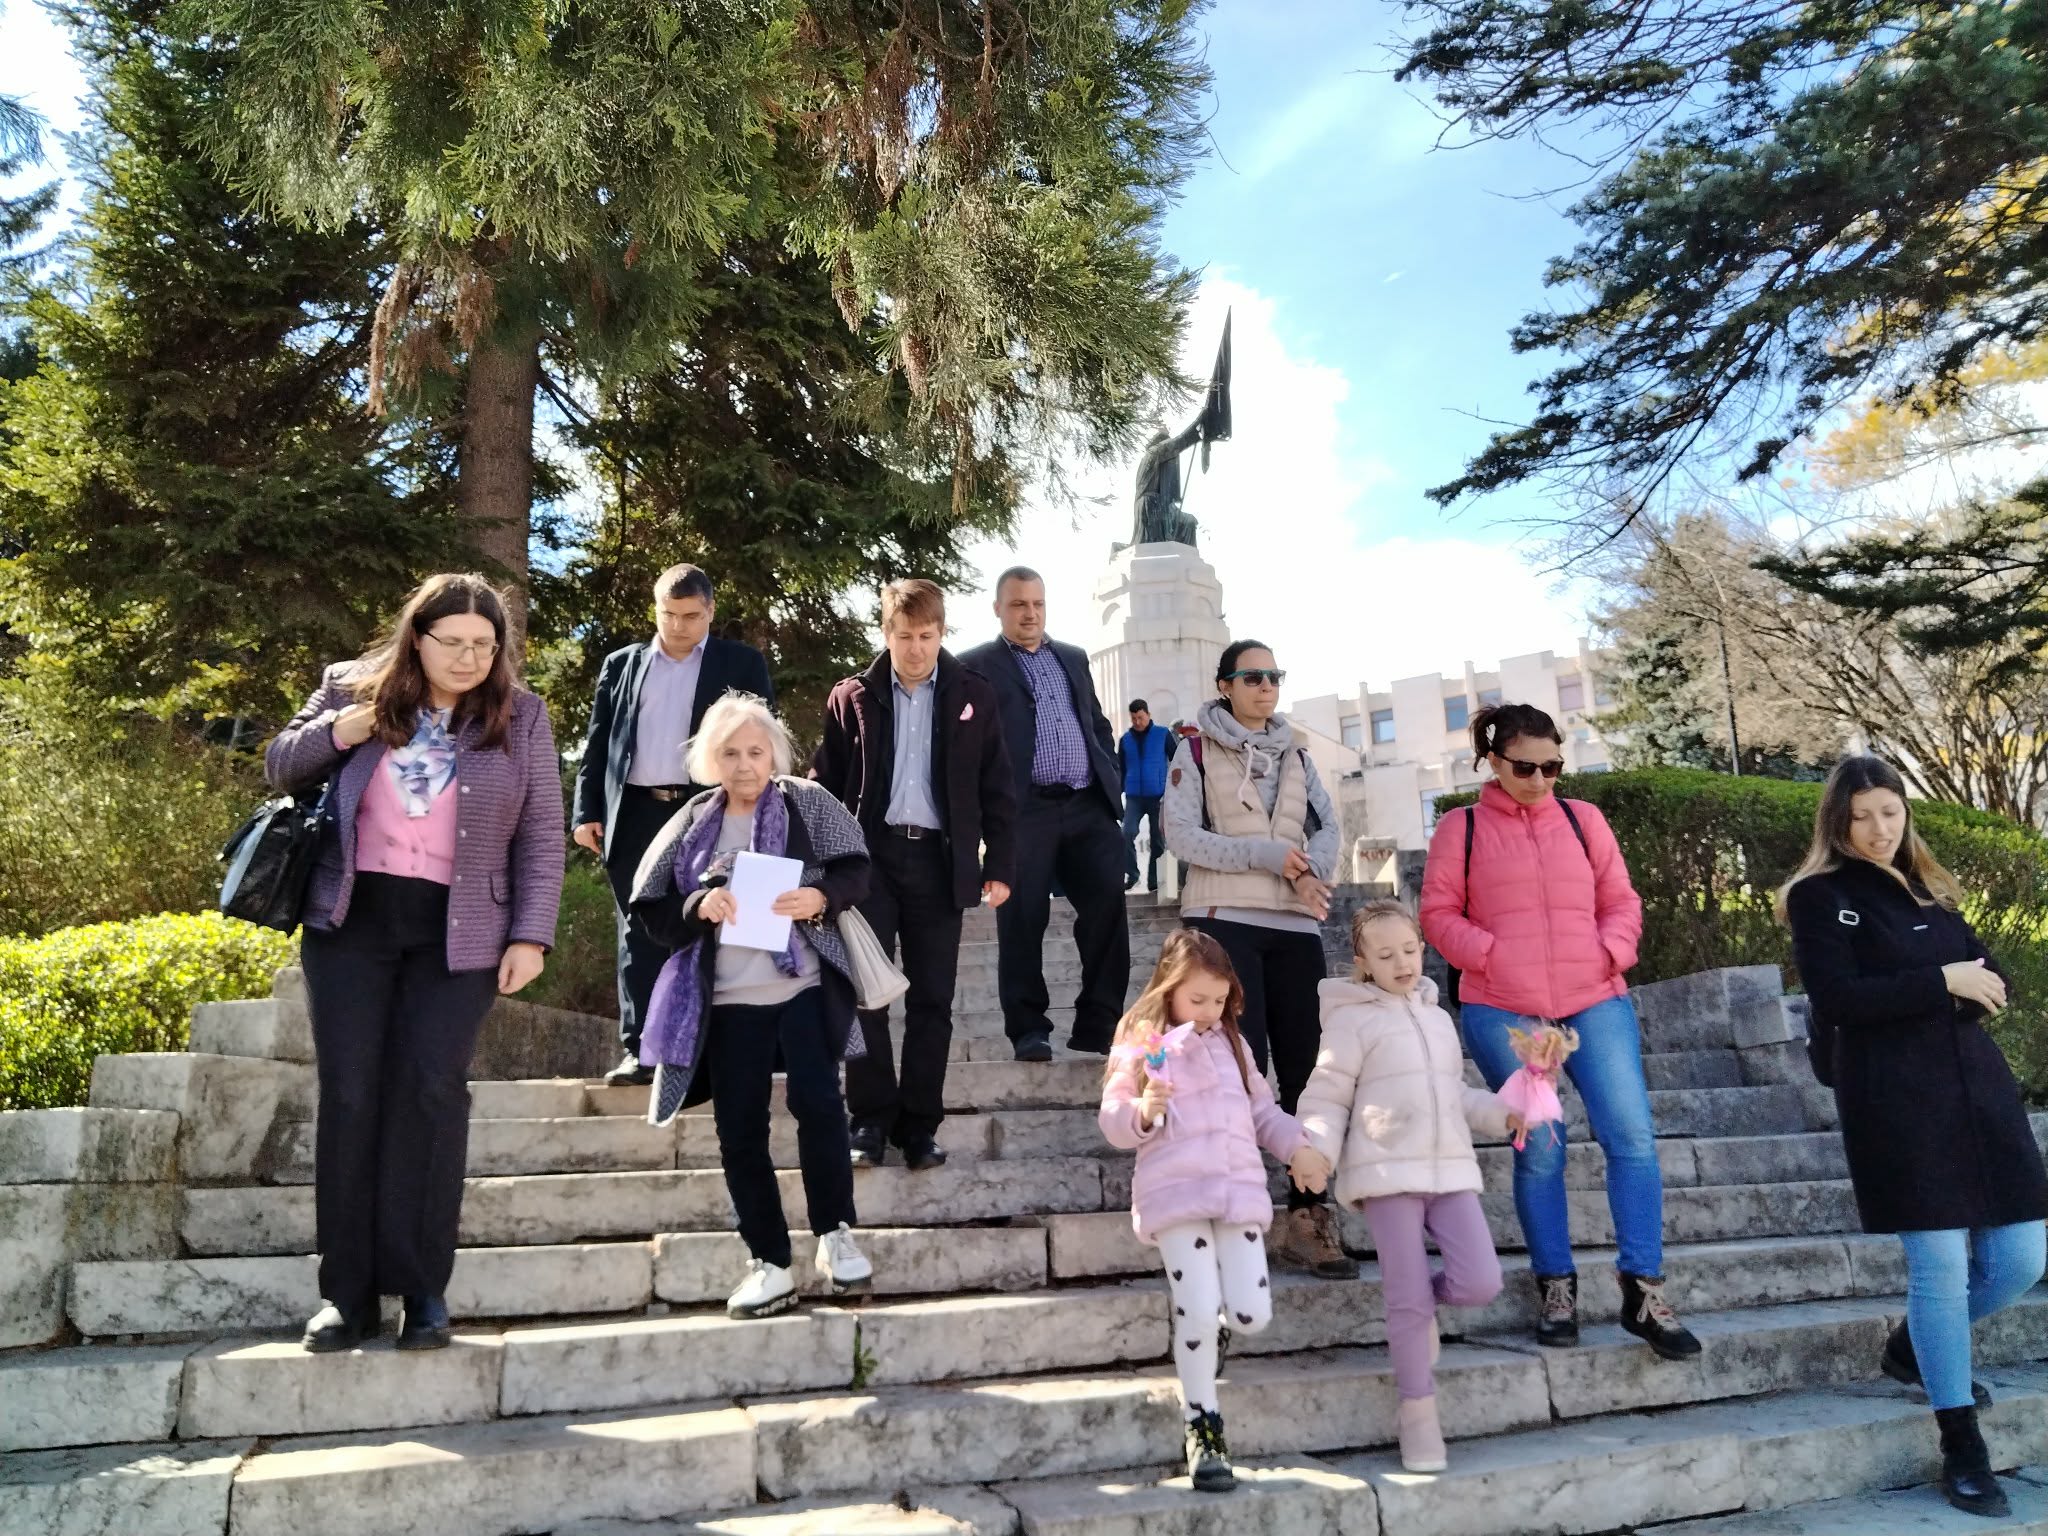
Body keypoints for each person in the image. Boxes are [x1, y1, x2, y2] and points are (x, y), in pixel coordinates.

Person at [264, 573, 564, 1354]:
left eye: (484, 646)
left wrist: (530, 935)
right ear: (417, 638)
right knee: (350, 1094)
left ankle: (423, 1290)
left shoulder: (521, 715)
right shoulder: (350, 688)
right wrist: (348, 728)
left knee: (432, 1091)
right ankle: (347, 1296)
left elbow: (540, 832)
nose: (469, 658)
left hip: (460, 932)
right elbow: (281, 763)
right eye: (453, 642)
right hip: (350, 922)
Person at [1780, 754, 2048, 1519]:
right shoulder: (1820, 896)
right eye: (1862, 816)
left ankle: (1912, 1349)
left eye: (1890, 812)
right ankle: (1962, 1444)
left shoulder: (1930, 888)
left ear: (1906, 813)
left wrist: (1952, 987)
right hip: (1894, 1103)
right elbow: (1838, 998)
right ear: (1838, 821)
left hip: (1978, 1094)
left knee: (2022, 1260)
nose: (1878, 829)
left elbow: (1994, 982)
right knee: (1939, 1268)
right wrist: (1941, 982)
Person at [1420, 702, 1700, 1360]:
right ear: (1493, 761)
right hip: (1504, 1006)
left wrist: (1610, 953)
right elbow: (1437, 912)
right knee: (1542, 1143)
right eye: (1526, 767)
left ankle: (1644, 1289)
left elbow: (1621, 900)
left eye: (1552, 767)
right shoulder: (1461, 827)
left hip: (1593, 997)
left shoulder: (1583, 819)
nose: (1541, 780)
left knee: (1631, 1136)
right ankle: (1556, 1287)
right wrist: (1491, 957)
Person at [628, 693, 874, 1319]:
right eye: (731, 753)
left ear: (774, 755)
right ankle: (769, 1262)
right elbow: (651, 906)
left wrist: (820, 896)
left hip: (803, 986)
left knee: (820, 1105)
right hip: (727, 1000)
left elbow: (856, 868)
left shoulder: (806, 802)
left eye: (756, 752)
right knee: (739, 1131)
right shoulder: (691, 821)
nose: (744, 765)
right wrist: (698, 905)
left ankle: (836, 1233)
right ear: (712, 760)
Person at [1097, 928, 1326, 1494]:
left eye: (1219, 1000)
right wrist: (1143, 1110)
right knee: (1197, 1309)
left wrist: (1298, 1148)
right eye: (1197, 999)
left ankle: (1213, 1333)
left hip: (1237, 1193)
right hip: (1176, 1194)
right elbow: (1114, 1117)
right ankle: (1203, 1424)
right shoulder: (1143, 1039)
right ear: (1169, 988)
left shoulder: (1234, 1046)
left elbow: (1264, 1113)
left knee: (1251, 1315)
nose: (1209, 1011)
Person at [1295, 901, 1516, 1473]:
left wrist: (1504, 1113)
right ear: (1363, 961)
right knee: (1406, 1295)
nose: (1402, 963)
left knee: (1480, 1280)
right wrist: (1314, 1149)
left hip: (1449, 1170)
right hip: (1387, 1175)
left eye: (1411, 950)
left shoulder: (1438, 1018)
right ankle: (1418, 1413)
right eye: (1386, 954)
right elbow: (1327, 1094)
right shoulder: (1350, 1021)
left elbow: (1457, 1094)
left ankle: (1422, 1314)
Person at [1163, 639, 1353, 1280]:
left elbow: (1328, 827)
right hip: (1223, 921)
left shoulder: (1297, 751)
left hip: (1295, 925)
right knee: (1235, 1068)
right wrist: (1268, 857)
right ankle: (1229, 1211)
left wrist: (1310, 870)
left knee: (1305, 1070)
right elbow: (1181, 836)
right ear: (1225, 685)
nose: (1266, 686)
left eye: (1274, 675)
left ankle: (1308, 1212)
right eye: (1252, 677)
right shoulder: (1193, 750)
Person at [813, 579, 1017, 1171]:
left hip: (939, 863)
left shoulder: (973, 694)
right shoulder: (851, 696)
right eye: (904, 636)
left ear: (942, 632)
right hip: (868, 863)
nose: (916, 649)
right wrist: (820, 866)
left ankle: (920, 1127)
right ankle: (870, 1121)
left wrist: (1000, 864)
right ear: (887, 633)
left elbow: (997, 785)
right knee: (864, 993)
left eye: (927, 636)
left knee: (933, 1000)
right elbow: (826, 782)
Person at [571, 563, 776, 1088]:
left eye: (691, 616)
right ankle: (641, 1052)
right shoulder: (622, 665)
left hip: (706, 811)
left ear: (710, 611)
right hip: (634, 815)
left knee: (717, 926)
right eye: (668, 615)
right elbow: (600, 743)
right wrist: (586, 812)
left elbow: (763, 742)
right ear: (656, 610)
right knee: (638, 931)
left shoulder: (741, 663)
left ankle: (717, 1051)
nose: (679, 626)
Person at [959, 566, 1131, 1062]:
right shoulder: (974, 666)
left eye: (1037, 604)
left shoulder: (1073, 657)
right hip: (1022, 811)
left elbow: (1096, 723)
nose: (1029, 613)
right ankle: (1028, 1029)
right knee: (1021, 918)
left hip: (1086, 805)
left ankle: (1099, 1023)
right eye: (1018, 604)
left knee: (1107, 907)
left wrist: (1109, 774)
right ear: (998, 609)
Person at [1118, 699, 1174, 893]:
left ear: (1148, 715)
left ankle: (1154, 881)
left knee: (1158, 840)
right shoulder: (1125, 740)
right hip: (1134, 797)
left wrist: (1174, 788)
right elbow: (1120, 769)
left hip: (1158, 796)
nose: (1137, 722)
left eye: (1140, 717)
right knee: (1126, 834)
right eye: (1133, 718)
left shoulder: (1163, 734)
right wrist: (1117, 794)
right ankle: (1133, 875)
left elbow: (1177, 760)